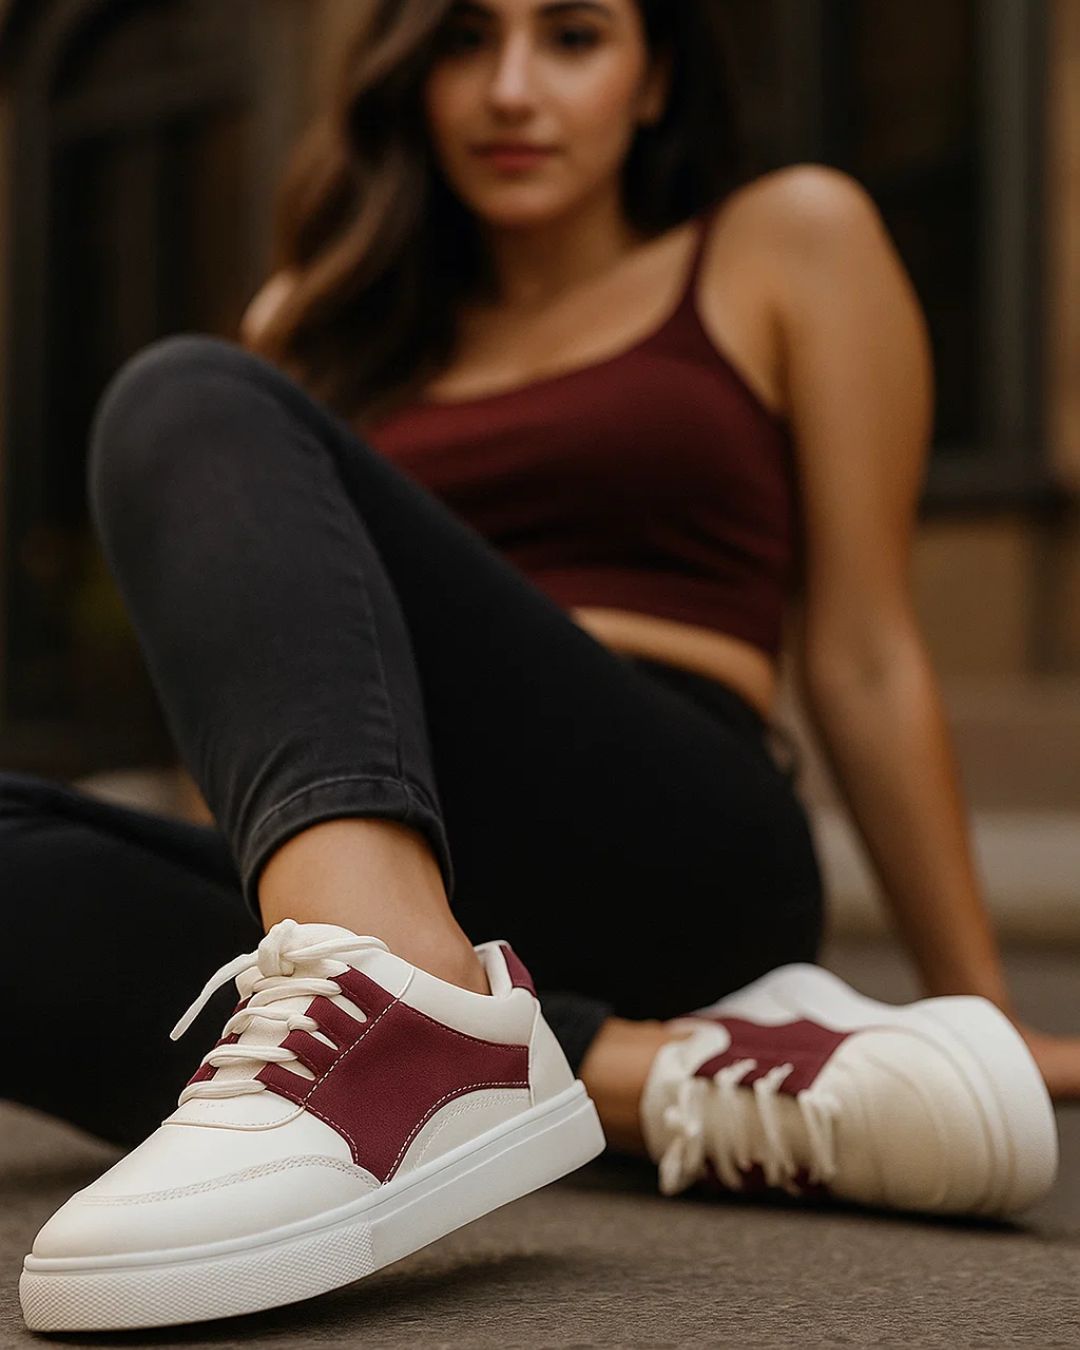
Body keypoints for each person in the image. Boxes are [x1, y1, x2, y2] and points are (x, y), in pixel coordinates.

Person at [7, 0, 1076, 1333]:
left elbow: (861, 650)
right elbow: (274, 641)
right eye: (464, 40)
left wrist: (980, 1002)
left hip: (666, 828)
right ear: (411, 78)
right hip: (415, 842)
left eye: (572, 37)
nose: (512, 89)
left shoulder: (783, 242)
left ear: (653, 79)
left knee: (178, 396)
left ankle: (407, 1006)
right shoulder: (330, 319)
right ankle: (641, 1071)